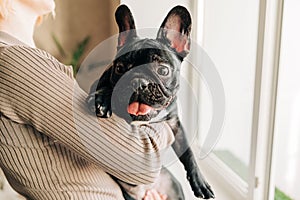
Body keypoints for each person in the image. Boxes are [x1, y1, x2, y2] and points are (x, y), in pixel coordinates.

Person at [0, 0, 173, 199]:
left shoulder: (20, 57)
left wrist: (139, 192)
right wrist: (170, 124)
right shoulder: (16, 61)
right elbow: (141, 162)